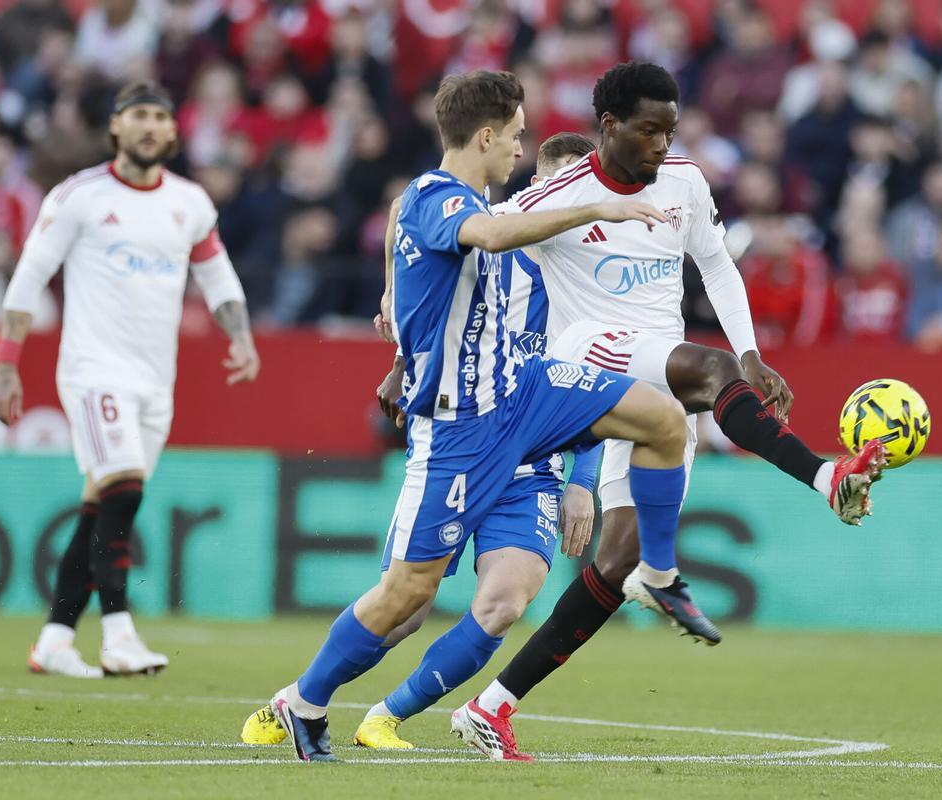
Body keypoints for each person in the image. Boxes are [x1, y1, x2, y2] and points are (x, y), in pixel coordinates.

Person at [257, 70, 719, 764]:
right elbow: (484, 235)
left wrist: (392, 289)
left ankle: (655, 573)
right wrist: (595, 211)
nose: (521, 145)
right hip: (461, 425)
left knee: (661, 418)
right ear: (485, 136)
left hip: (526, 394)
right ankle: (304, 702)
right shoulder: (443, 202)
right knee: (407, 595)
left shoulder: (466, 201)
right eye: (515, 134)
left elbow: (413, 224)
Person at [448, 61, 887, 760]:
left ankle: (490, 707)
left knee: (614, 567)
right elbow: (466, 235)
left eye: (670, 131)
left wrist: (752, 355)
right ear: (610, 127)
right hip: (586, 359)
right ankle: (826, 479)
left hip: (656, 379)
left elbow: (716, 264)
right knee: (707, 371)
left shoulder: (684, 181)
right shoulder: (559, 193)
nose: (661, 144)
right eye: (648, 131)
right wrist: (394, 304)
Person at [241, 133, 604, 755]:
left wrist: (583, 479)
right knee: (407, 606)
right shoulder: (491, 235)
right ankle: (300, 697)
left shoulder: (595, 283)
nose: (571, 197)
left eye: (584, 186)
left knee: (503, 604)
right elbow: (406, 228)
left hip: (533, 466)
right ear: (538, 186)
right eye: (560, 183)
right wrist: (397, 328)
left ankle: (384, 717)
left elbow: (597, 384)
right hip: (461, 442)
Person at [0, 80, 261, 679]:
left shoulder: (189, 202)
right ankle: (118, 634)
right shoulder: (78, 196)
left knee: (100, 507)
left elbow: (216, 275)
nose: (150, 126)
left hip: (156, 380)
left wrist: (239, 335)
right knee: (125, 490)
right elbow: (29, 279)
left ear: (174, 131)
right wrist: (5, 364)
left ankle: (55, 639)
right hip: (92, 370)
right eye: (138, 115)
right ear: (116, 128)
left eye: (161, 117)